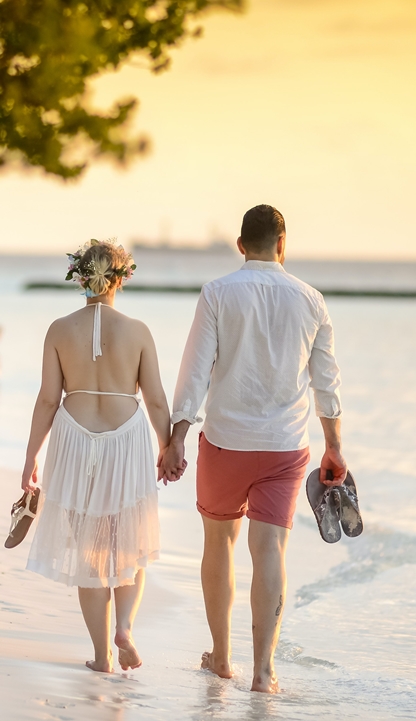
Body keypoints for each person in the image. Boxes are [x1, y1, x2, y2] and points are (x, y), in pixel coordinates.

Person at [163, 205, 346, 693]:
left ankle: (222, 661)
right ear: (283, 244)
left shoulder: (218, 293)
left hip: (225, 441)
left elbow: (195, 370)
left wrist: (177, 435)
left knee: (219, 543)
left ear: (240, 245)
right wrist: (335, 447)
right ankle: (264, 673)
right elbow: (326, 382)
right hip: (286, 447)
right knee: (269, 550)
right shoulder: (312, 300)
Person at [21, 239, 171, 673]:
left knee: (89, 548)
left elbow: (49, 400)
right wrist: (168, 448)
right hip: (126, 438)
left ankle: (103, 655)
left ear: (79, 277)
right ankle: (124, 625)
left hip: (74, 437)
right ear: (121, 277)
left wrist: (32, 456)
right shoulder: (139, 331)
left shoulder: (58, 329)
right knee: (131, 543)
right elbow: (157, 401)